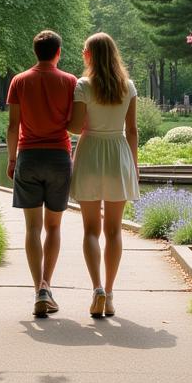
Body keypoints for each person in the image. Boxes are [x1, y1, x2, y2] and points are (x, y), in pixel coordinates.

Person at [67, 32, 140, 318]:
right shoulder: (129, 86)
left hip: (90, 152)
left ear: (90, 55)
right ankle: (109, 294)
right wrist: (133, 166)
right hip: (118, 154)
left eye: (84, 50)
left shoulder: (83, 85)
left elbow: (74, 127)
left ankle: (96, 287)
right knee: (114, 230)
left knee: (90, 230)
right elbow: (132, 131)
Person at [6, 29, 77, 318]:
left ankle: (39, 289)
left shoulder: (19, 81)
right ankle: (48, 285)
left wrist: (12, 159)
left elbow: (13, 126)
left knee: (33, 229)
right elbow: (75, 123)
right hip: (59, 157)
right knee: (55, 227)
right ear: (58, 52)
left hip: (29, 157)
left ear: (35, 52)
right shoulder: (70, 82)